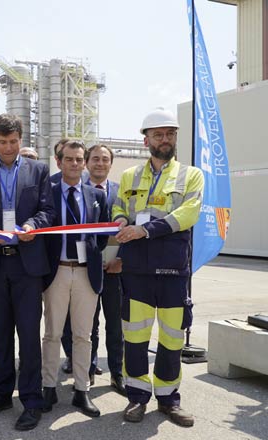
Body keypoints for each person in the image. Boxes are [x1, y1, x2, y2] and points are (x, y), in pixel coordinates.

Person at [114, 107, 203, 427]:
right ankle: (137, 398)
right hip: (136, 271)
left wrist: (144, 229)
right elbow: (119, 207)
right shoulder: (128, 176)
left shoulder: (191, 175)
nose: (164, 140)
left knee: (172, 339)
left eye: (170, 134)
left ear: (175, 137)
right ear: (146, 140)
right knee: (134, 339)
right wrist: (121, 220)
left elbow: (188, 214)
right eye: (158, 135)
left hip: (172, 272)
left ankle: (168, 400)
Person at [0, 113, 55, 431]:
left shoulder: (39, 170)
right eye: (3, 142)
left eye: (13, 141)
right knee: (2, 335)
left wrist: (34, 224)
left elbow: (48, 209)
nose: (8, 147)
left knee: (28, 336)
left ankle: (31, 401)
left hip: (27, 265)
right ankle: (2, 394)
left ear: (21, 139)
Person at [40, 141, 108, 418]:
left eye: (80, 159)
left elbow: (102, 236)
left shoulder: (96, 195)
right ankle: (48, 387)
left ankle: (82, 390)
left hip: (85, 272)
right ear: (59, 162)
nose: (75, 164)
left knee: (83, 335)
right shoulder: (49, 193)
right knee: (53, 333)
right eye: (69, 159)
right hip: (56, 271)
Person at [62, 144, 126, 395]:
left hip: (115, 270)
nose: (100, 163)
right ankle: (86, 370)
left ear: (111, 163)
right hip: (86, 269)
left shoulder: (122, 192)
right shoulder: (80, 192)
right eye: (95, 159)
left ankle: (117, 374)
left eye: (105, 159)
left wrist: (121, 260)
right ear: (87, 163)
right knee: (87, 326)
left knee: (115, 325)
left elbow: (127, 229)